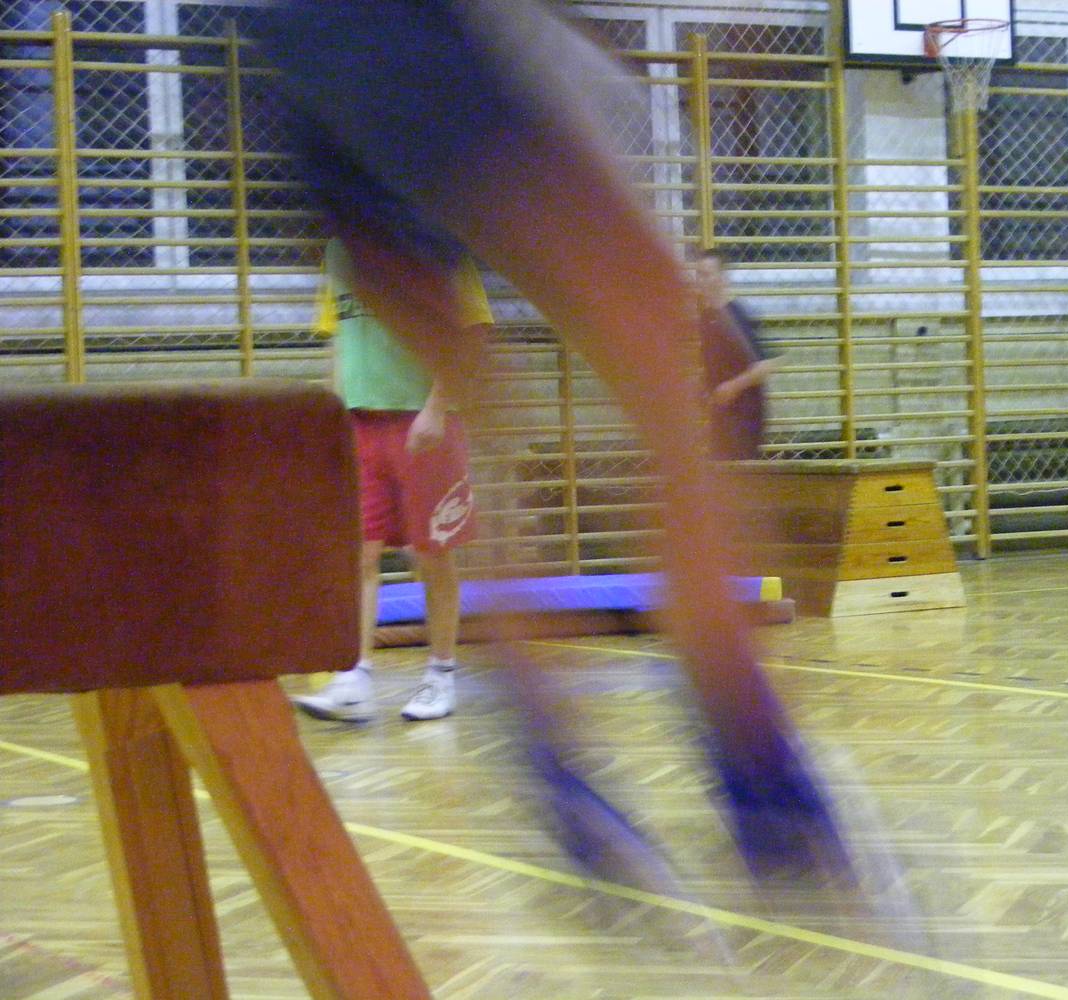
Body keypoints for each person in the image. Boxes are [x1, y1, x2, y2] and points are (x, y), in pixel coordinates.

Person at [258, 0, 851, 884]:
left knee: (498, 430)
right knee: (675, 400)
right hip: (431, 39)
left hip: (300, 72)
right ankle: (759, 773)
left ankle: (556, 765)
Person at [294, 239, 490, 723]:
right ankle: (354, 677)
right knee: (359, 553)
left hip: (422, 422)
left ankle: (440, 673)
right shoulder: (339, 250)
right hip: (361, 424)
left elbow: (469, 333)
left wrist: (437, 408)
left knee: (431, 554)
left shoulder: (436, 246)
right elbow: (339, 339)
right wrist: (334, 411)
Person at [695, 248, 780, 461]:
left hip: (744, 415)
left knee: (739, 474)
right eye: (699, 275)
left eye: (706, 275)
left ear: (723, 278)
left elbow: (765, 365)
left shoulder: (734, 317)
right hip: (723, 414)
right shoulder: (707, 318)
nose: (701, 281)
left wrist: (732, 387)